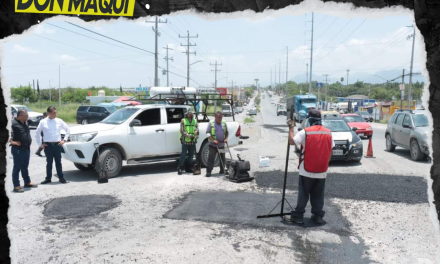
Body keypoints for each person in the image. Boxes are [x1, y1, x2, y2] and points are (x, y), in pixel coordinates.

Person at [284, 109, 335, 225]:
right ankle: (317, 216)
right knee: (318, 194)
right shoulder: (328, 133)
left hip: (306, 170)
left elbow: (292, 142)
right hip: (322, 170)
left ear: (309, 119)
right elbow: (330, 151)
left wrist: (291, 127)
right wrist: (325, 164)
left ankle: (298, 217)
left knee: (304, 194)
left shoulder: (305, 132)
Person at [35, 106, 70, 184]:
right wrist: (40, 144)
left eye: (56, 112)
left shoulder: (59, 121)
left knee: (58, 162)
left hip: (57, 145)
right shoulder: (43, 122)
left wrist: (64, 140)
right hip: (48, 146)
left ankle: (61, 178)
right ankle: (48, 178)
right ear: (49, 113)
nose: (55, 114)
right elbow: (37, 133)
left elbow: (68, 129)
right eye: (54, 113)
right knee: (49, 162)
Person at [10, 110, 37, 193]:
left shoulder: (25, 122)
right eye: (26, 115)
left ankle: (27, 182)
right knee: (17, 168)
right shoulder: (13, 123)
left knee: (25, 167)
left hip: (26, 149)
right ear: (20, 115)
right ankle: (16, 186)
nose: (27, 117)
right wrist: (12, 142)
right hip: (18, 150)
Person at [205, 112, 228, 177]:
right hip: (213, 144)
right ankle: (209, 171)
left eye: (221, 117)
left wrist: (226, 138)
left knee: (223, 157)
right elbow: (207, 133)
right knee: (211, 158)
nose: (220, 119)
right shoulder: (211, 123)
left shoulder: (224, 122)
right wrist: (213, 140)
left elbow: (227, 132)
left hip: (221, 144)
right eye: (219, 117)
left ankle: (222, 170)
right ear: (215, 117)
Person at [178, 110, 199, 175]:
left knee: (191, 156)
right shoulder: (183, 120)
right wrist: (188, 136)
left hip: (193, 141)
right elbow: (182, 130)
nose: (190, 115)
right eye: (189, 114)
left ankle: (189, 168)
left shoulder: (195, 120)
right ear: (187, 114)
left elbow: (197, 129)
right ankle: (180, 168)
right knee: (183, 155)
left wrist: (196, 135)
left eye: (191, 114)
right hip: (185, 141)